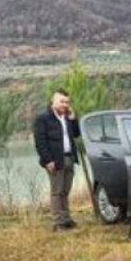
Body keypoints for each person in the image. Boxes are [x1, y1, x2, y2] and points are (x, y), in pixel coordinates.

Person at [33, 89, 81, 230]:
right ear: (53, 101)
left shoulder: (66, 117)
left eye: (67, 102)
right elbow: (40, 142)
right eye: (62, 101)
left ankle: (66, 219)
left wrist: (73, 119)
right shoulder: (42, 118)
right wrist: (48, 160)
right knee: (57, 191)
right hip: (55, 160)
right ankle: (58, 222)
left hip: (69, 158)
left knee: (65, 191)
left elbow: (76, 134)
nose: (65, 104)